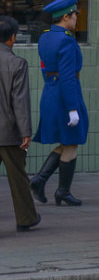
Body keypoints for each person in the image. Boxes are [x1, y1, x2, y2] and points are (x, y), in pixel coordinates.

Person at [30, 0, 88, 207]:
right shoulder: (66, 41)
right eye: (75, 15)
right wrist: (72, 108)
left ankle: (39, 180)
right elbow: (67, 77)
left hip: (51, 93)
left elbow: (48, 69)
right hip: (65, 96)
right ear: (66, 16)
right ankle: (62, 191)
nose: (76, 19)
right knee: (72, 142)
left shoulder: (45, 37)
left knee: (66, 141)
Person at [0, 16, 40, 231]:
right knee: (18, 178)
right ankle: (26, 218)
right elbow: (20, 101)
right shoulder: (17, 63)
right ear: (12, 38)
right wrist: (26, 131)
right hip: (8, 132)